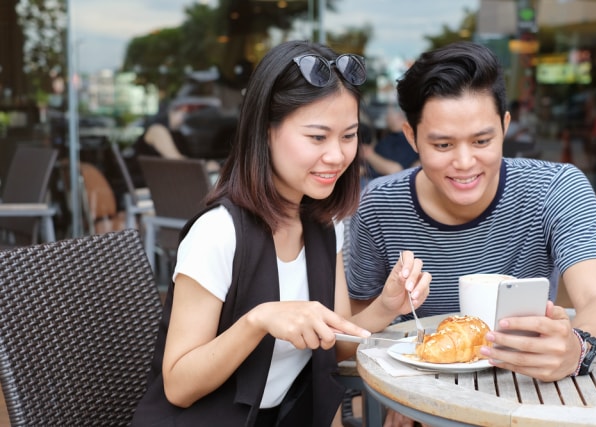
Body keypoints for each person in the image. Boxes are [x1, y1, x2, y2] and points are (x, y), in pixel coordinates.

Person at [131, 40, 431, 427]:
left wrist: (386, 307)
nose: (338, 156)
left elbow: (335, 344)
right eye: (317, 137)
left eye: (348, 135)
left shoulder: (324, 223)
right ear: (266, 132)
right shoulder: (218, 233)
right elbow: (178, 384)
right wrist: (258, 321)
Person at [347, 41, 596, 427]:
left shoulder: (557, 189)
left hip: (528, 395)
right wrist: (402, 388)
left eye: (482, 141)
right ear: (411, 138)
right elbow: (359, 326)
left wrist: (579, 346)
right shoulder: (378, 205)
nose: (464, 163)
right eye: (442, 144)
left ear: (505, 126)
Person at [133, 105, 221, 174]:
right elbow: (177, 161)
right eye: (182, 112)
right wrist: (205, 167)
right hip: (147, 187)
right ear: (169, 112)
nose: (185, 117)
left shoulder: (177, 134)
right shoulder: (157, 130)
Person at [361, 106, 419, 182]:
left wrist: (367, 153)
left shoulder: (406, 140)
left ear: (399, 117)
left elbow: (395, 170)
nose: (386, 117)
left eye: (389, 114)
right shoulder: (390, 137)